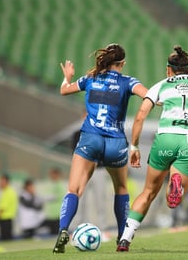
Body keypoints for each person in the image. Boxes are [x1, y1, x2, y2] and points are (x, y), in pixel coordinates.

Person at [116, 45, 188, 252]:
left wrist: (135, 146)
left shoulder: (163, 84)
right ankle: (175, 182)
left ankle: (125, 239)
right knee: (174, 200)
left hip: (167, 138)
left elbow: (140, 116)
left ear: (168, 70)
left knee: (148, 192)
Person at [52, 43, 148, 253]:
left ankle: (63, 230)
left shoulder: (90, 78)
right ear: (122, 63)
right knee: (121, 189)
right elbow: (148, 97)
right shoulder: (127, 81)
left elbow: (64, 90)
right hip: (116, 142)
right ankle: (123, 239)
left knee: (74, 189)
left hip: (90, 139)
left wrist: (67, 77)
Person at [0, 173, 18, 241]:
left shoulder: (7, 192)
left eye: (0, 181)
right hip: (8, 220)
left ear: (5, 181)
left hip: (5, 220)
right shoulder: (10, 191)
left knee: (5, 240)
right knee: (8, 239)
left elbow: (2, 208)